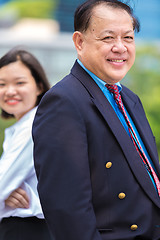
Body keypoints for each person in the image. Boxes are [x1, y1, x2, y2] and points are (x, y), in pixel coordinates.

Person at [32, 0, 160, 239]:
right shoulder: (64, 101)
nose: (120, 47)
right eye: (108, 38)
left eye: (128, 38)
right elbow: (66, 209)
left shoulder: (129, 98)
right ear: (79, 42)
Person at [0, 48, 53, 240]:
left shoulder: (34, 126)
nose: (10, 91)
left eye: (20, 83)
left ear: (39, 86)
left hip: (28, 230)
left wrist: (4, 193)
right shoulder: (21, 128)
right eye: (2, 84)